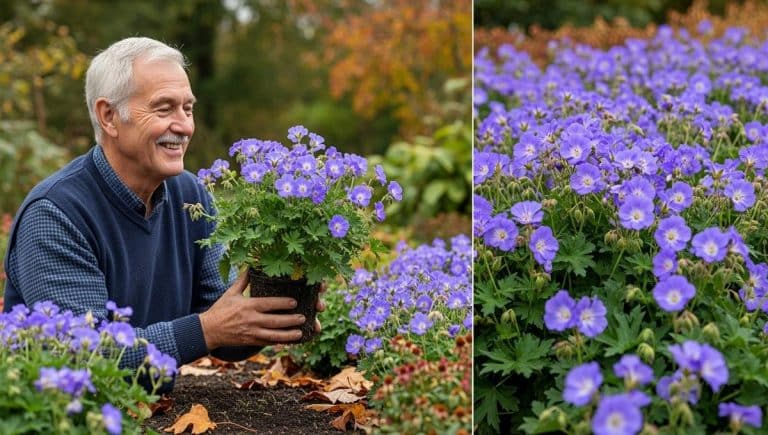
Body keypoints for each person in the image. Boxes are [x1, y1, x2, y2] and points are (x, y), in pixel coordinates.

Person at [2, 37, 322, 386]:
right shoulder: (56, 215)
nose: (184, 126)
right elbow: (89, 355)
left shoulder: (190, 196)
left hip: (145, 404)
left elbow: (219, 320)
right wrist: (207, 329)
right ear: (109, 117)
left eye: (188, 108)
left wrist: (271, 316)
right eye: (164, 108)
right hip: (60, 409)